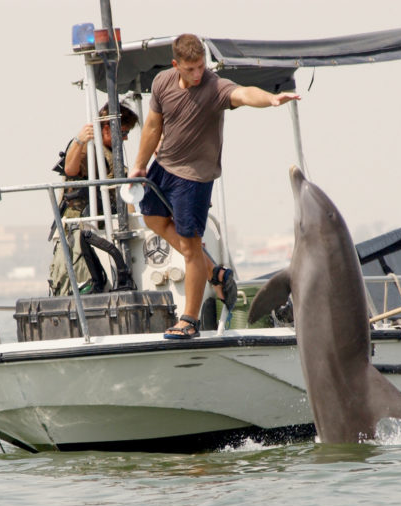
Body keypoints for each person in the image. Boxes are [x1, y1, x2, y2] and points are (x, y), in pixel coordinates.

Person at [130, 33, 301, 339]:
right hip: (164, 167)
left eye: (201, 67)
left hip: (195, 178)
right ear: (176, 65)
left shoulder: (215, 86)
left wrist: (272, 99)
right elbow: (154, 126)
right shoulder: (162, 84)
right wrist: (140, 165)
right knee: (152, 220)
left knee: (189, 247)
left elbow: (245, 93)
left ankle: (189, 320)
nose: (198, 74)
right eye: (191, 69)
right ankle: (216, 273)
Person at [48, 103, 139, 295]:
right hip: (81, 228)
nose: (126, 138)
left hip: (101, 225)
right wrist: (79, 141)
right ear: (107, 129)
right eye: (123, 132)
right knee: (84, 279)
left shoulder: (110, 154)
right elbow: (71, 170)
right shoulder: (90, 149)